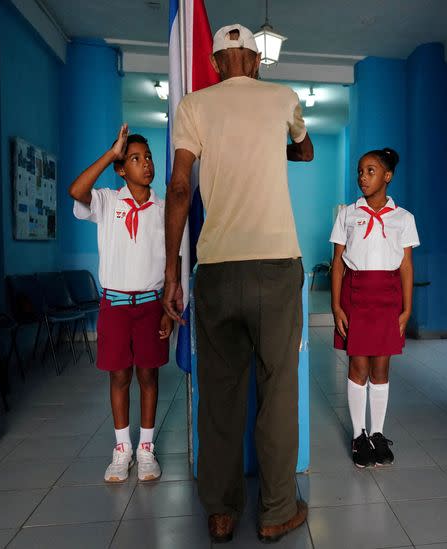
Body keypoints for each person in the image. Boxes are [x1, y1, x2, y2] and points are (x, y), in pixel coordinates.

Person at [162, 24, 314, 543]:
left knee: (219, 396)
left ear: (216, 63)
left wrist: (170, 274)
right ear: (253, 60)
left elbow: (180, 186)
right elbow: (305, 148)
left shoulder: (193, 105)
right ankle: (275, 512)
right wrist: (282, 143)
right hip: (276, 267)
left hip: (217, 270)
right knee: (278, 390)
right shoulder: (284, 97)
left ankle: (221, 512)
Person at [69, 124, 172, 483]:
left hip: (151, 304)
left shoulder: (163, 209)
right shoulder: (107, 201)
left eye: (148, 158)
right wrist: (111, 153)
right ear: (121, 168)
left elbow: (172, 261)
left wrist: (171, 309)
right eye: (134, 158)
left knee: (148, 374)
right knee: (119, 375)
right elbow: (76, 190)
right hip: (114, 305)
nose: (145, 164)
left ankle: (145, 449)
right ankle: (121, 449)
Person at [330, 148, 419, 468]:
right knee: (359, 368)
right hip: (355, 297)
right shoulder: (347, 214)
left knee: (381, 368)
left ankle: (378, 434)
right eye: (359, 171)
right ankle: (359, 436)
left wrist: (407, 309)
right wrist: (336, 307)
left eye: (370, 171)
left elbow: (406, 266)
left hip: (388, 299)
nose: (362, 177)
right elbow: (337, 263)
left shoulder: (403, 218)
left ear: (387, 176)